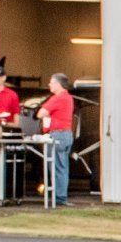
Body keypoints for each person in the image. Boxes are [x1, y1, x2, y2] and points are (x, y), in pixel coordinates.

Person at [38, 73, 76, 206]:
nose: (49, 85)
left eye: (51, 82)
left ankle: (59, 197)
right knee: (63, 166)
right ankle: (61, 195)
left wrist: (47, 115)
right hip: (67, 134)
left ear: (58, 84)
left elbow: (41, 113)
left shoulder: (57, 98)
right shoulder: (69, 98)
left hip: (57, 135)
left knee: (55, 166)